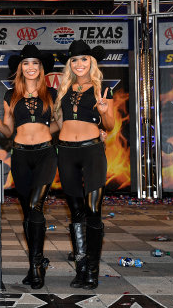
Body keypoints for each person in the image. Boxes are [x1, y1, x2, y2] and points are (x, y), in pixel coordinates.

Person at [0, 44, 57, 289]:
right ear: (20, 68)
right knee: (28, 213)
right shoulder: (10, 95)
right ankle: (34, 263)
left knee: (36, 206)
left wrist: (46, 132)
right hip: (20, 157)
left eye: (35, 63)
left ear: (41, 68)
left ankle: (37, 267)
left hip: (46, 155)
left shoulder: (53, 94)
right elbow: (8, 131)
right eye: (26, 63)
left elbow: (59, 124)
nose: (30, 67)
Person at [54, 39, 114, 290]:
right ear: (70, 64)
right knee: (76, 211)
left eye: (84, 59)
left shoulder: (102, 88)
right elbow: (57, 122)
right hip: (66, 151)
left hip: (92, 151)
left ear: (92, 62)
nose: (79, 64)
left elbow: (109, 126)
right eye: (75, 60)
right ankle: (81, 268)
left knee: (93, 210)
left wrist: (103, 110)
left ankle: (92, 270)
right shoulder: (63, 89)